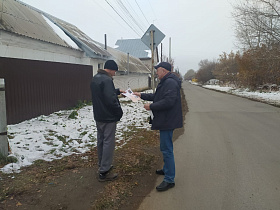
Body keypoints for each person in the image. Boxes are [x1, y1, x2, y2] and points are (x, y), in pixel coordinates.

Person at [134, 62, 183, 191]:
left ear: (164, 70)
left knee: (166, 149)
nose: (156, 73)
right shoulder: (166, 81)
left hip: (168, 120)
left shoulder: (170, 83)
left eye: (158, 70)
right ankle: (167, 170)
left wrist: (151, 106)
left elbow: (169, 101)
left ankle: (169, 179)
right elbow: (157, 97)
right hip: (166, 119)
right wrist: (141, 95)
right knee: (165, 147)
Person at [90, 60, 123, 182]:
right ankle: (104, 170)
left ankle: (102, 164)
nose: (115, 73)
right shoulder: (107, 80)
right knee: (109, 142)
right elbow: (110, 100)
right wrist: (119, 112)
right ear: (111, 69)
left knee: (101, 141)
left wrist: (118, 91)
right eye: (115, 71)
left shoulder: (96, 78)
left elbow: (103, 94)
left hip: (99, 116)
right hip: (108, 117)